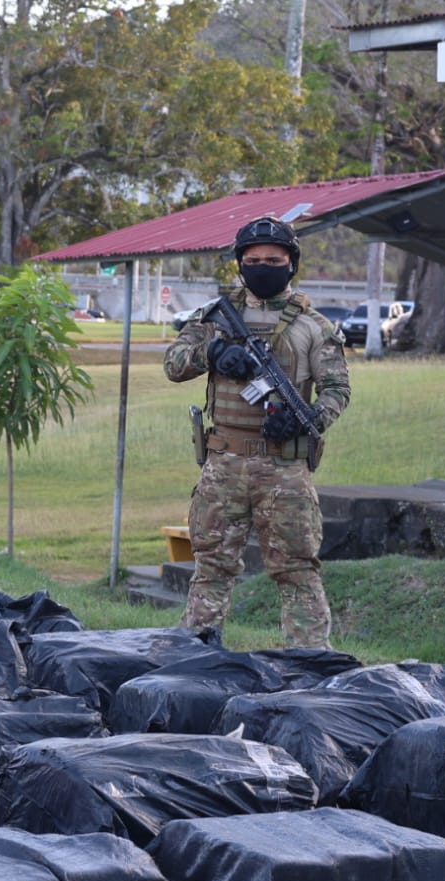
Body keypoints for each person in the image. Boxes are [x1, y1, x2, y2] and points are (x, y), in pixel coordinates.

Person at [163, 215, 351, 647]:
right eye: (253, 259)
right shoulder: (215, 318)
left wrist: (309, 417)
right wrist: (212, 352)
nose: (262, 265)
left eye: (273, 259)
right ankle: (194, 659)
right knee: (212, 569)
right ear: (239, 264)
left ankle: (308, 663)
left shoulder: (312, 326)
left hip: (284, 467)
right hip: (223, 462)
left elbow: (337, 389)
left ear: (291, 263)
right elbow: (174, 364)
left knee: (297, 571)